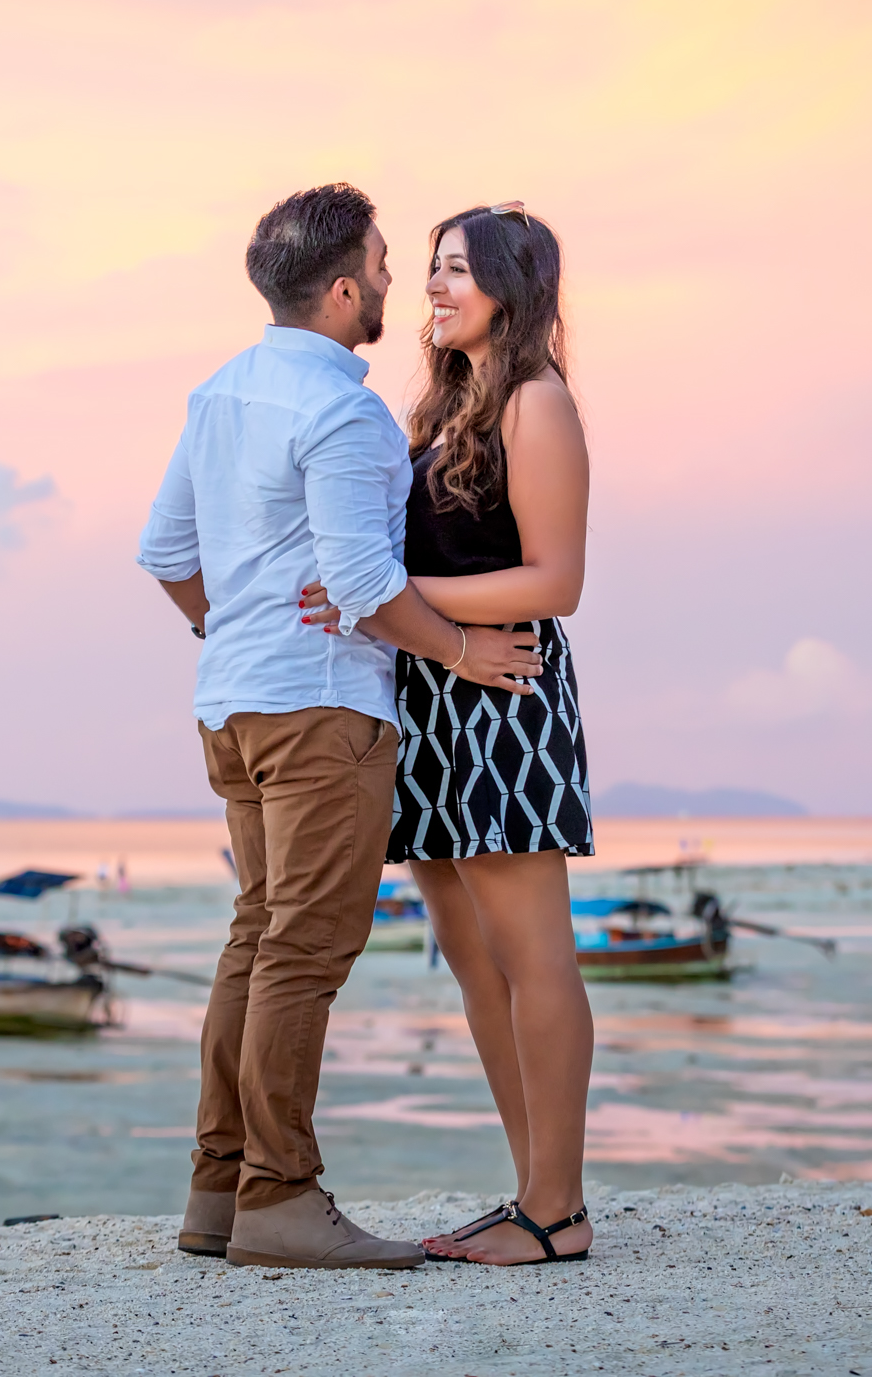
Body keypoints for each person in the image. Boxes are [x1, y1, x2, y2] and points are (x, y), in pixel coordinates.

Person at [138, 183, 545, 1271]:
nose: (398, 282)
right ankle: (280, 1194)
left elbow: (166, 553)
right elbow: (366, 585)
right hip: (321, 710)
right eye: (382, 260)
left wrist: (238, 630)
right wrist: (464, 652)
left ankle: (219, 1192)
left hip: (232, 702)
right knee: (304, 953)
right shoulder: (346, 413)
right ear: (346, 288)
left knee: (257, 938)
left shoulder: (218, 394)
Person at [298, 201, 596, 1266]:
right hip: (428, 696)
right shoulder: (444, 410)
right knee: (475, 965)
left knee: (534, 957)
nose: (432, 286)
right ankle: (532, 1196)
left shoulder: (535, 402)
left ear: (511, 289)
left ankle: (558, 1211)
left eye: (458, 270)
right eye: (429, 268)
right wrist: (381, 606)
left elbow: (556, 580)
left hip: (504, 691)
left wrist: (385, 590)